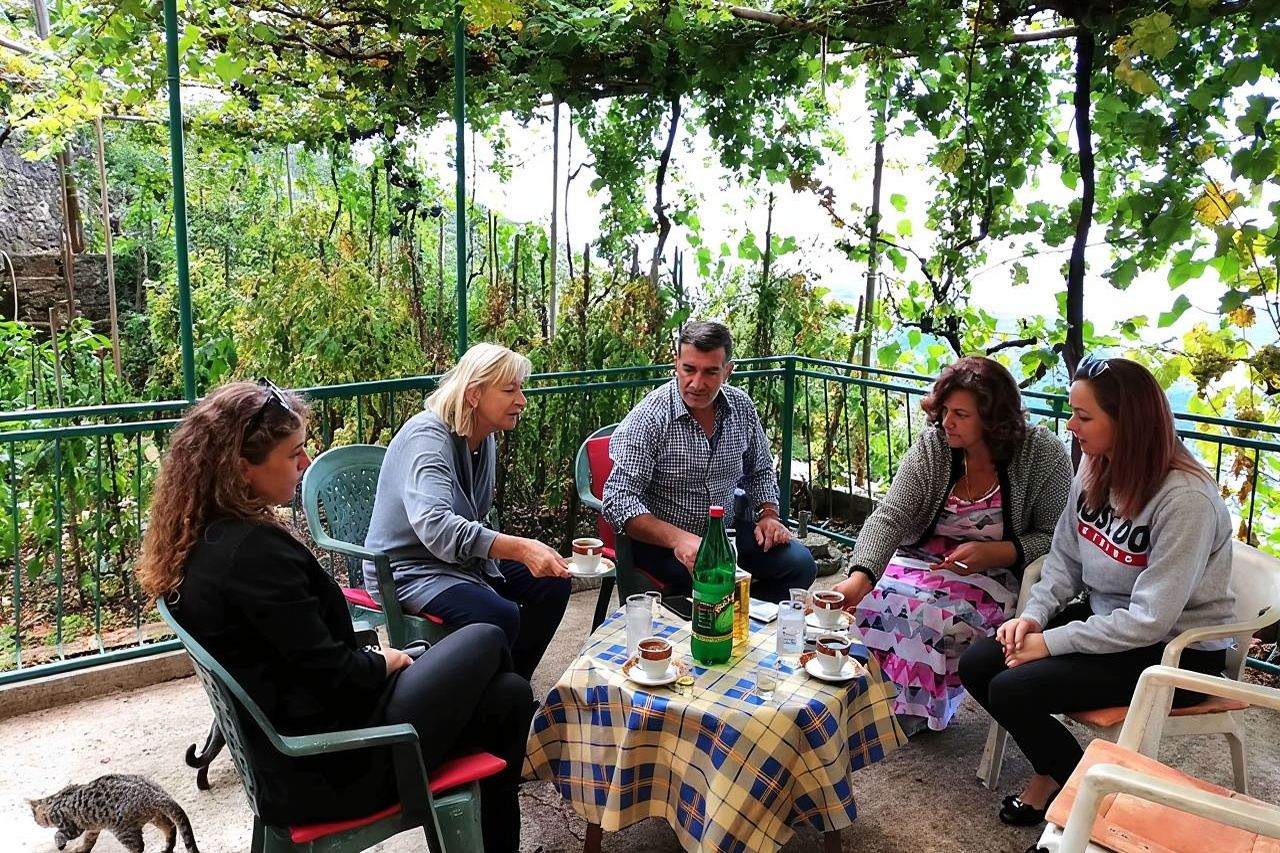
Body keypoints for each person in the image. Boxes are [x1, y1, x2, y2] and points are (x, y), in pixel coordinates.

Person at [135, 380, 531, 851]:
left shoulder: (210, 538)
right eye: (293, 454)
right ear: (241, 468)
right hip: (335, 763)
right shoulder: (254, 557)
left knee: (509, 695)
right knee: (486, 636)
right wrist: (385, 662)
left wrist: (382, 661)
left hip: (306, 742)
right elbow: (334, 677)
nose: (304, 464)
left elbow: (302, 658)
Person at [958, 356, 1236, 826]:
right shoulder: (1094, 466)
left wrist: (1051, 643)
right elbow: (1064, 558)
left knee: (1012, 690)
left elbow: (1151, 619)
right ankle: (1070, 781)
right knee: (979, 662)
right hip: (1107, 624)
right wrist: (1035, 616)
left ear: (1128, 423)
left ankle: (1087, 812)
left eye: (1084, 417)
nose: (1072, 425)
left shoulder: (1184, 499)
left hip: (1174, 652)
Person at [830, 356, 1073, 732]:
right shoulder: (935, 449)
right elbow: (890, 515)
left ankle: (913, 714)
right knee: (876, 601)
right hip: (924, 560)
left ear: (993, 419)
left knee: (935, 618)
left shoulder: (1042, 454)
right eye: (944, 410)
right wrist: (861, 577)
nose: (947, 422)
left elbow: (1059, 538)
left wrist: (999, 551)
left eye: (961, 413)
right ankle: (873, 704)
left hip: (1001, 572)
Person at [364, 343, 571, 680]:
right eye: (509, 390)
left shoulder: (483, 435)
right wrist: (519, 547)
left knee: (553, 583)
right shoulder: (427, 438)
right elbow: (436, 526)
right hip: (409, 569)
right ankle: (489, 701)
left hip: (459, 560)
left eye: (521, 388)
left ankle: (511, 686)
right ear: (474, 394)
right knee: (500, 615)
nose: (522, 400)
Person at [602, 320, 816, 603]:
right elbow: (618, 499)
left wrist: (768, 515)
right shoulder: (651, 417)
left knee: (800, 565)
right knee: (711, 581)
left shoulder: (741, 406)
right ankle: (719, 623)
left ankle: (744, 625)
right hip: (663, 545)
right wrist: (679, 539)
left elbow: (761, 469)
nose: (697, 383)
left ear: (727, 371)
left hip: (724, 535)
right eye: (689, 369)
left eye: (710, 372)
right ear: (676, 362)